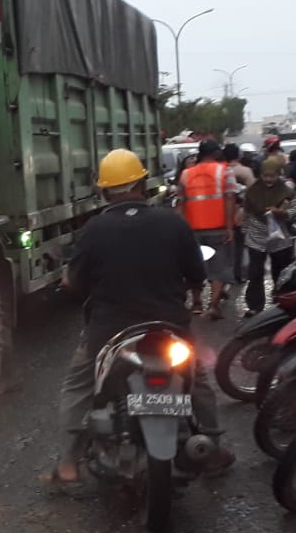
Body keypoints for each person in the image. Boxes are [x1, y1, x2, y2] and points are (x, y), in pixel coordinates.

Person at [50, 149, 231, 486]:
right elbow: (196, 275)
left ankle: (68, 465)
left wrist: (70, 282)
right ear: (142, 183)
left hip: (109, 333)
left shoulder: (94, 229)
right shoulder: (173, 222)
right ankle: (214, 449)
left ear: (105, 191)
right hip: (170, 329)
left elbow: (74, 283)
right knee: (199, 381)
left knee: (78, 385)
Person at [177, 139, 236, 320]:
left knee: (194, 267)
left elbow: (180, 203)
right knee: (218, 266)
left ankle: (196, 303)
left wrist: (180, 230)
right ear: (216, 153)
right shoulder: (225, 171)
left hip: (192, 229)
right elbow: (230, 199)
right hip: (217, 228)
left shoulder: (186, 174)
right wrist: (229, 227)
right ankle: (213, 305)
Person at [241, 156, 296, 316]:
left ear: (279, 175)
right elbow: (247, 211)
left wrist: (282, 212)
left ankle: (281, 302)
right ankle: (255, 306)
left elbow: (295, 212)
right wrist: (245, 229)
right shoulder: (252, 190)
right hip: (256, 236)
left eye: (272, 176)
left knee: (280, 272)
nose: (268, 179)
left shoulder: (287, 191)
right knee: (255, 272)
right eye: (265, 176)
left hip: (279, 238)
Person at [223, 144, 254, 282]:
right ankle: (239, 273)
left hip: (223, 211)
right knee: (240, 244)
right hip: (242, 211)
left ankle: (224, 275)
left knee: (224, 245)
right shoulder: (246, 171)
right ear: (239, 155)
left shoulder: (220, 171)